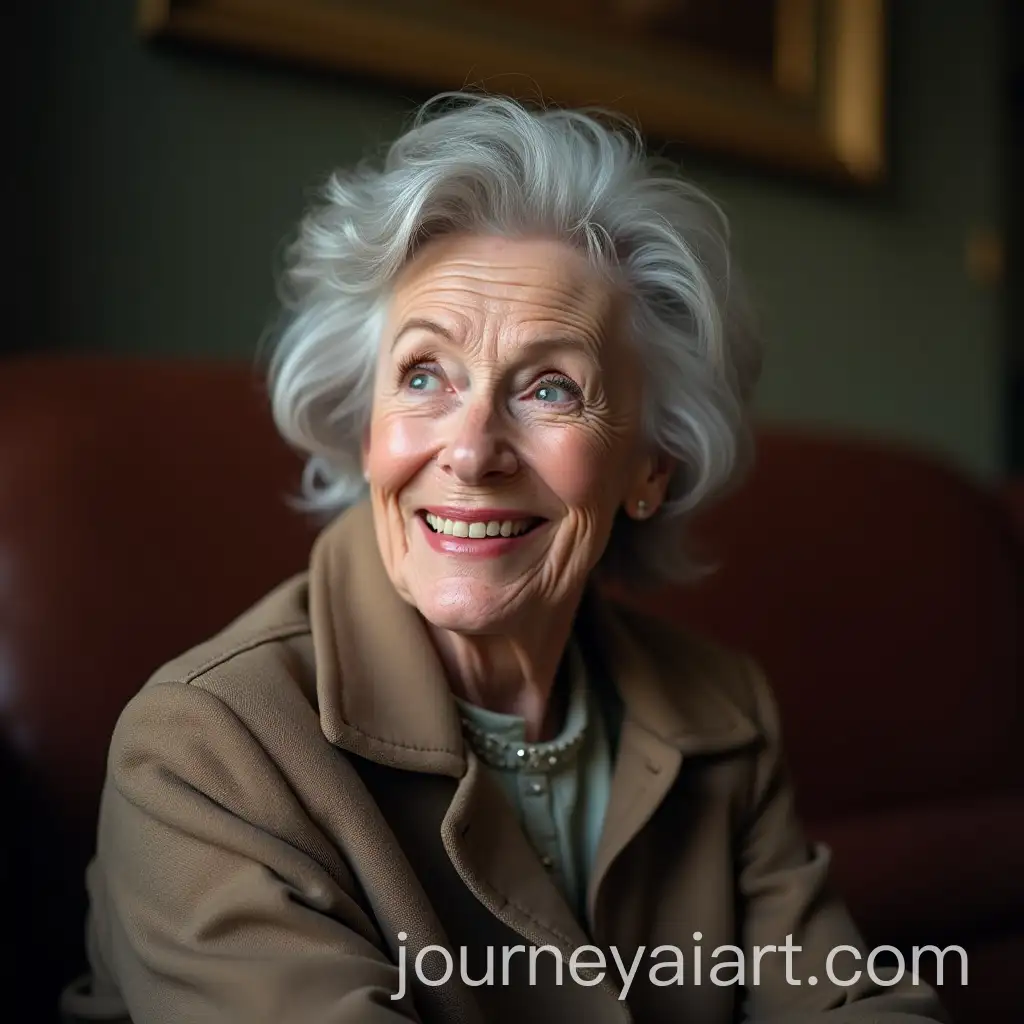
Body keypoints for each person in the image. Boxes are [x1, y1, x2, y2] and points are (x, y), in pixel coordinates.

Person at [64, 93, 948, 1023]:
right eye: (423, 375)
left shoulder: (721, 714)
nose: (473, 448)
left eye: (552, 387)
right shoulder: (205, 752)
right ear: (366, 430)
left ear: (651, 468)